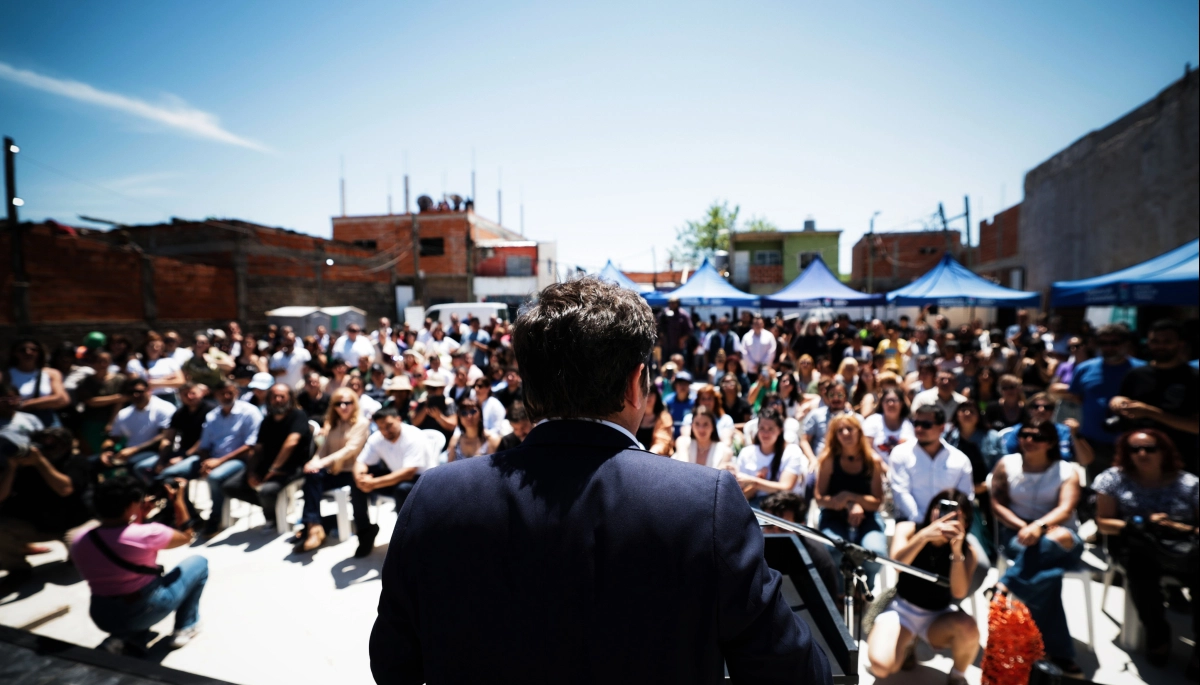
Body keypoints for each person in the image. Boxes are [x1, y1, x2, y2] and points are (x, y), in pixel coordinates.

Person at [370, 277, 831, 684]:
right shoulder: (702, 504)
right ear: (637, 384)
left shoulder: (435, 497)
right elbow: (791, 672)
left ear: (528, 389)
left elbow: (392, 663)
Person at [1093, 430, 1198, 672]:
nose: (1142, 454)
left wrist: (1176, 526)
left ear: (1163, 451)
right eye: (1135, 449)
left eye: (1150, 448)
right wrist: (1140, 523)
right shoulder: (1113, 479)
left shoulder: (1190, 484)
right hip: (1137, 546)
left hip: (1183, 546)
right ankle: (1157, 636)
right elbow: (1104, 523)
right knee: (1141, 577)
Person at [989, 420, 1085, 675]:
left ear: (1052, 442)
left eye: (1037, 436)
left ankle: (1006, 583)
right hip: (1018, 533)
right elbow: (997, 504)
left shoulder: (1067, 471)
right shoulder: (1005, 464)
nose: (1029, 440)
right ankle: (1060, 652)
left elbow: (1066, 508)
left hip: (1057, 532)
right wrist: (1024, 526)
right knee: (1048, 577)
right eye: (1025, 434)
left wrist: (1039, 527)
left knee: (1056, 540)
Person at [71, 476, 206, 655]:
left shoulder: (80, 539)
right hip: (143, 611)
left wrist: (138, 515)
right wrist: (179, 500)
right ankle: (185, 627)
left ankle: (124, 637)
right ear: (131, 504)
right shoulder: (148, 534)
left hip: (102, 614)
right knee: (199, 563)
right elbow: (187, 536)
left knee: (131, 588)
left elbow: (120, 537)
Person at [866, 490, 979, 685]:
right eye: (942, 509)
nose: (946, 517)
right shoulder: (908, 529)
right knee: (881, 666)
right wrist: (924, 536)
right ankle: (907, 646)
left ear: (966, 522)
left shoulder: (968, 551)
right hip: (902, 609)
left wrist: (956, 551)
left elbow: (959, 592)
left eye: (955, 515)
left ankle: (958, 675)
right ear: (931, 510)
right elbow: (897, 565)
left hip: (938, 615)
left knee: (968, 627)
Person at [158, 381, 261, 538]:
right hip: (212, 459)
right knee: (168, 474)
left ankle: (215, 519)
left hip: (239, 460)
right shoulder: (212, 416)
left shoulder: (250, 412)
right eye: (222, 393)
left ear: (237, 392)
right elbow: (204, 445)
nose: (226, 396)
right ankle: (191, 517)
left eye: (229, 393)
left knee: (214, 477)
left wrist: (218, 462)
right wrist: (206, 462)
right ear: (216, 395)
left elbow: (251, 445)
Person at [0, 423, 91, 584]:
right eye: (43, 443)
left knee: (84, 561)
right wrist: (12, 468)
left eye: (53, 443)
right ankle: (18, 569)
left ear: (66, 445)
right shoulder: (27, 467)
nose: (48, 447)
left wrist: (41, 462)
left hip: (75, 523)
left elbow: (65, 489)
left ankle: (78, 553)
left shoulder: (78, 462)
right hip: (41, 526)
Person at [1054, 323, 1144, 481]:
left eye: (1114, 343)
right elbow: (1077, 397)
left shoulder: (1142, 370)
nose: (1108, 347)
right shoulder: (1084, 368)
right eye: (1103, 343)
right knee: (1096, 488)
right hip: (1092, 442)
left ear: (1125, 344)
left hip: (1132, 443)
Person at [1110, 319, 1199, 473]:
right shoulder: (1136, 374)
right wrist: (1117, 402)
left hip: (1179, 461)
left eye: (1167, 341)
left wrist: (1149, 412)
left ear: (1180, 344)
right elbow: (1121, 400)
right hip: (1136, 458)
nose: (1160, 346)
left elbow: (1195, 426)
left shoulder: (1194, 378)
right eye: (1155, 341)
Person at [813, 414, 887, 594]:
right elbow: (820, 498)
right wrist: (846, 504)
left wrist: (850, 497)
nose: (845, 433)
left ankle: (865, 589)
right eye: (840, 430)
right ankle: (839, 592)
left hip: (868, 515)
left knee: (875, 553)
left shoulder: (872, 461)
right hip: (834, 515)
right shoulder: (828, 459)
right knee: (834, 549)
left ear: (859, 432)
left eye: (850, 429)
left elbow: (877, 502)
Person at [222, 384, 311, 529]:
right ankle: (272, 507)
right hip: (267, 466)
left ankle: (273, 517)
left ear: (289, 398)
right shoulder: (267, 421)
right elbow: (257, 449)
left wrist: (274, 469)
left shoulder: (298, 415)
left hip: (292, 467)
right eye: (274, 396)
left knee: (266, 490)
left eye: (282, 396)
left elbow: (291, 443)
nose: (278, 399)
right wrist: (251, 473)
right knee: (230, 487)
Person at [296, 387, 371, 553]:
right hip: (336, 470)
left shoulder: (362, 423)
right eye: (339, 403)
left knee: (316, 477)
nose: (343, 406)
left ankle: (312, 526)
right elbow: (323, 449)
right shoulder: (332, 424)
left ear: (354, 404)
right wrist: (314, 462)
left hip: (353, 471)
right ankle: (313, 526)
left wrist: (321, 463)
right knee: (311, 477)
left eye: (347, 402)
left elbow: (350, 449)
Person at [353, 406, 434, 557]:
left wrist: (374, 483)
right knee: (356, 485)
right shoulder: (377, 438)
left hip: (424, 481)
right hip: (396, 477)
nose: (386, 431)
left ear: (399, 419)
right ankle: (365, 533)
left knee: (402, 489)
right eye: (381, 427)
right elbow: (360, 462)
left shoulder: (414, 435)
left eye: (389, 425)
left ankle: (405, 539)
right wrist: (360, 478)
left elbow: (409, 473)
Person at [888, 406, 974, 524]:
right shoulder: (900, 453)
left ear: (942, 428)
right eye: (916, 423)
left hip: (949, 525)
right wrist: (924, 523)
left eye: (926, 424)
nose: (919, 428)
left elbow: (965, 498)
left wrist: (948, 522)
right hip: (911, 523)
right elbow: (901, 493)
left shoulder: (960, 460)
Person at [100, 378, 175, 478]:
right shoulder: (124, 413)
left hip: (154, 452)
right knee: (92, 462)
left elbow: (165, 436)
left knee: (130, 465)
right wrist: (106, 451)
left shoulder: (164, 408)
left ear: (149, 390)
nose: (135, 395)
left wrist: (135, 450)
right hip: (128, 451)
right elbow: (113, 438)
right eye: (131, 392)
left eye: (139, 391)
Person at [733, 409, 807, 505]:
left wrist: (754, 482)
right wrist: (757, 483)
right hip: (755, 505)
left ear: (780, 430)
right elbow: (741, 496)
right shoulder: (746, 453)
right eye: (762, 428)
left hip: (785, 505)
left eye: (770, 429)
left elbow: (786, 487)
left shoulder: (792, 451)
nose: (765, 433)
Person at [74, 350, 129, 455]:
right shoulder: (86, 381)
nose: (103, 365)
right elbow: (90, 402)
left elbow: (121, 402)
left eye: (106, 361)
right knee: (92, 452)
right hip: (92, 421)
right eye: (99, 361)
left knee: (114, 451)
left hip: (115, 421)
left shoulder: (120, 380)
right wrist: (116, 397)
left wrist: (111, 422)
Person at [7, 338, 70, 428]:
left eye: (33, 349)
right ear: (15, 353)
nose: (28, 353)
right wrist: (46, 401)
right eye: (22, 350)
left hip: (46, 420)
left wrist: (25, 404)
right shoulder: (6, 375)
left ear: (39, 352)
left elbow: (61, 399)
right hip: (17, 421)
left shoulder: (51, 373)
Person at [800, 380, 860, 464]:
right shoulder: (815, 415)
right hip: (820, 462)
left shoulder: (856, 419)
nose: (836, 398)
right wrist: (812, 459)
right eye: (832, 395)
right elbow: (804, 440)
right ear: (827, 397)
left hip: (849, 464)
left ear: (846, 397)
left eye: (840, 395)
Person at [125, 333, 185, 402]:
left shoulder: (170, 362)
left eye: (158, 346)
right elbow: (135, 384)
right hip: (145, 399)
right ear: (145, 347)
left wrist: (155, 382)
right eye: (151, 346)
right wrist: (166, 379)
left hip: (169, 398)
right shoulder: (134, 363)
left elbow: (180, 381)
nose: (154, 348)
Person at [861, 387, 914, 465]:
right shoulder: (872, 421)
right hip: (878, 470)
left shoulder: (911, 424)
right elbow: (867, 450)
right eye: (887, 401)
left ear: (902, 403)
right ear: (881, 403)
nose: (891, 404)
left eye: (894, 400)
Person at [447, 397, 501, 461]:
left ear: (480, 414)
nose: (469, 416)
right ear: (459, 417)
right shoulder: (455, 440)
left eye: (473, 411)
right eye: (464, 413)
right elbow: (449, 467)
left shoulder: (492, 440)